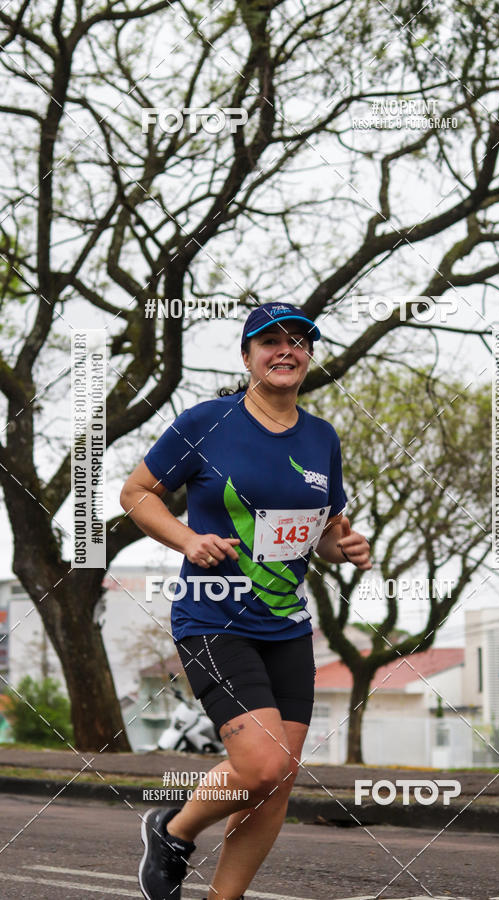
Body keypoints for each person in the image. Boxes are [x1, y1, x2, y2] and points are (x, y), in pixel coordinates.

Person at [120, 301, 371, 900]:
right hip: (213, 616)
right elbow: (136, 492)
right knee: (259, 763)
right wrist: (188, 538)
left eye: (299, 342)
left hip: (286, 626)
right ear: (247, 356)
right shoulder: (207, 421)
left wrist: (347, 545)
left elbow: (325, 531)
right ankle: (172, 830)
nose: (286, 350)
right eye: (270, 342)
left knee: (279, 779)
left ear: (308, 357)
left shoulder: (321, 438)